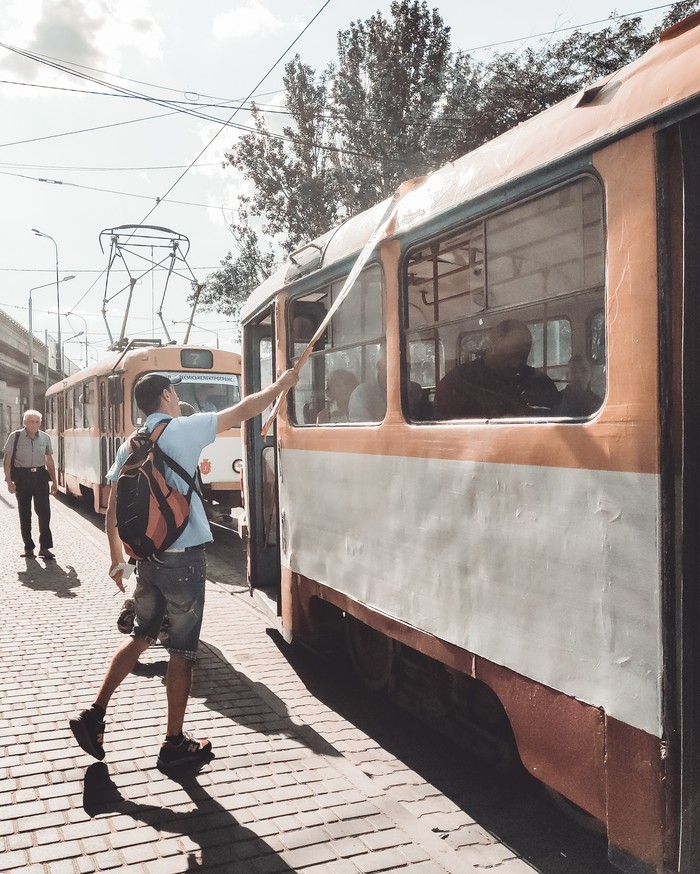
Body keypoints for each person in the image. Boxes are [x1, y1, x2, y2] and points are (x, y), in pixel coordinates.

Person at [69, 367, 299, 770]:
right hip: (184, 562)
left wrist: (116, 559)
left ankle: (94, 714)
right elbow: (243, 409)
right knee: (182, 653)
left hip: (146, 561)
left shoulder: (131, 444)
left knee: (141, 638)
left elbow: (112, 509)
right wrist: (281, 386)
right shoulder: (184, 429)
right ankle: (174, 742)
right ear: (169, 395)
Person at [434, 319, 560, 420]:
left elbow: (555, 418)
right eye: (510, 354)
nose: (516, 363)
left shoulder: (539, 382)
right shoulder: (458, 381)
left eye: (523, 356)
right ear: (492, 347)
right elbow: (443, 431)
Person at [3, 409, 58, 559]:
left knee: (44, 513)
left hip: (40, 477)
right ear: (24, 423)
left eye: (37, 422)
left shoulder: (45, 438)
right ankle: (28, 547)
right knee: (24, 513)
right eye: (31, 422)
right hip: (22, 477)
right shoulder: (15, 437)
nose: (35, 425)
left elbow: (50, 461)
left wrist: (54, 481)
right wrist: (8, 481)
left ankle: (45, 547)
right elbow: (7, 460)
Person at [348, 347, 387, 422]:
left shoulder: (415, 390)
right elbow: (362, 431)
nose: (402, 369)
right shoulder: (362, 394)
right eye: (395, 364)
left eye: (407, 365)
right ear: (379, 367)